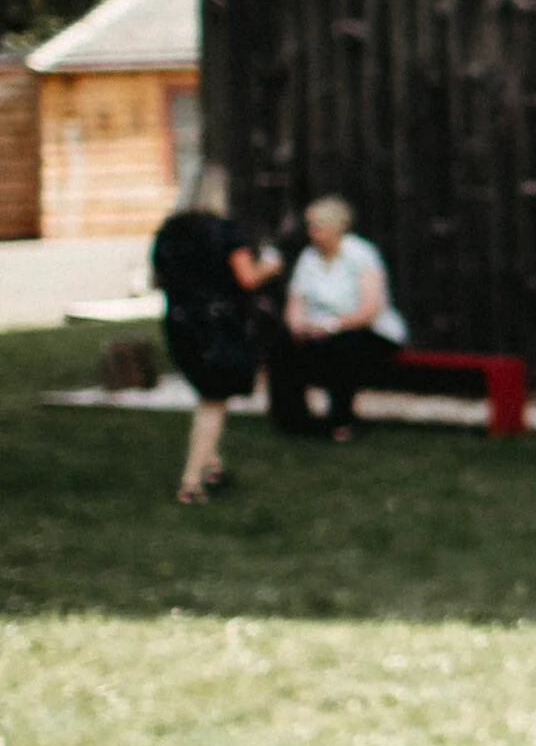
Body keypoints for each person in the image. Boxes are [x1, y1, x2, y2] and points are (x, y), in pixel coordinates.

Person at [150, 165, 281, 504]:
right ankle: (191, 482)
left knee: (206, 389)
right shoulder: (225, 232)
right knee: (213, 400)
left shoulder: (169, 232)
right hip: (216, 324)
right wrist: (272, 265)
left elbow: (157, 277)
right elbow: (247, 279)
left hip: (178, 322)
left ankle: (212, 464)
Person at [270, 196, 406, 441]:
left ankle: (341, 420)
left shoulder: (361, 254)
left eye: (317, 227)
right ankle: (294, 420)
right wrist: (297, 326)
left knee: (342, 348)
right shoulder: (309, 258)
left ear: (335, 229)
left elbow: (369, 310)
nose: (311, 233)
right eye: (310, 227)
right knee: (282, 344)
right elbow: (295, 303)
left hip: (367, 330)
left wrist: (330, 326)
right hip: (319, 330)